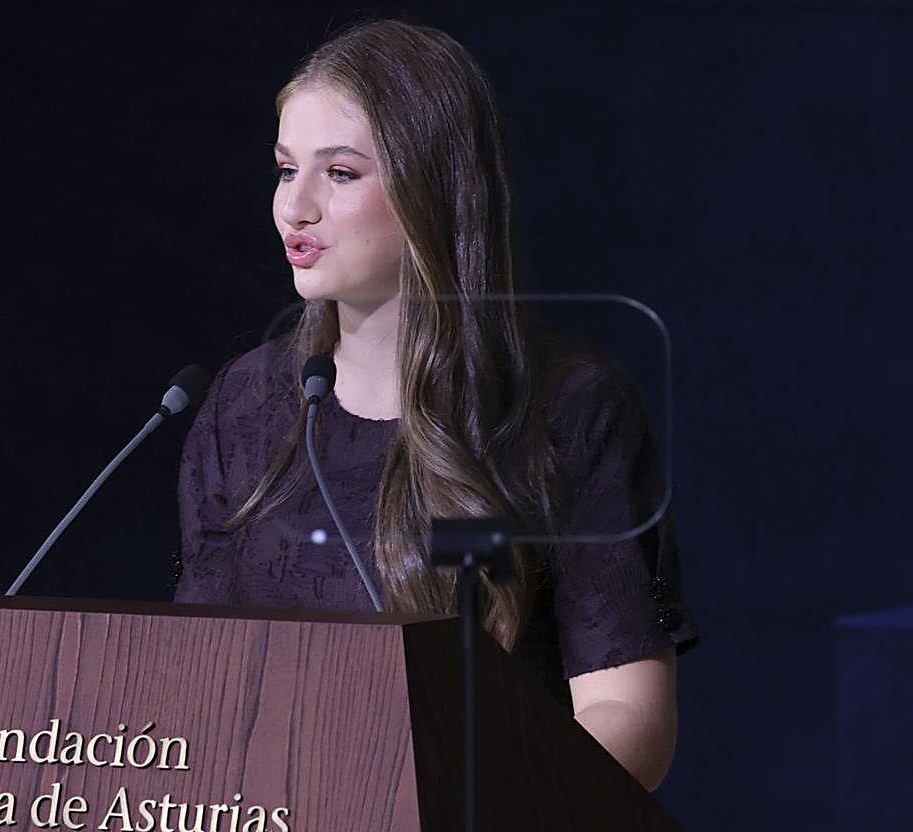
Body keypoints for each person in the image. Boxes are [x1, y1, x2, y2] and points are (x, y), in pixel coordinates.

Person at [173, 19, 698, 792]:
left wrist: (485, 802)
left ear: (436, 187)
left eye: (341, 173)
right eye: (287, 170)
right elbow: (195, 682)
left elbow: (626, 711)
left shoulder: (569, 410)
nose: (296, 207)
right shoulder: (245, 403)